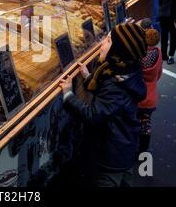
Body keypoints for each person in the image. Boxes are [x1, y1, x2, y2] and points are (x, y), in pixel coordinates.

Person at [60, 23, 147, 187]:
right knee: (126, 180)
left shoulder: (116, 86)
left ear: (117, 53)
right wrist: (88, 78)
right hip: (126, 146)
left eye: (107, 41)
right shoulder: (125, 72)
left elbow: (93, 114)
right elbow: (107, 97)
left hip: (111, 155)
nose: (101, 44)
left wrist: (68, 95)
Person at [137, 19, 163, 154]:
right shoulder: (158, 53)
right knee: (146, 124)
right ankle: (143, 151)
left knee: (134, 121)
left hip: (138, 96)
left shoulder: (139, 55)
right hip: (151, 98)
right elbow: (159, 74)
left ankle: (134, 147)